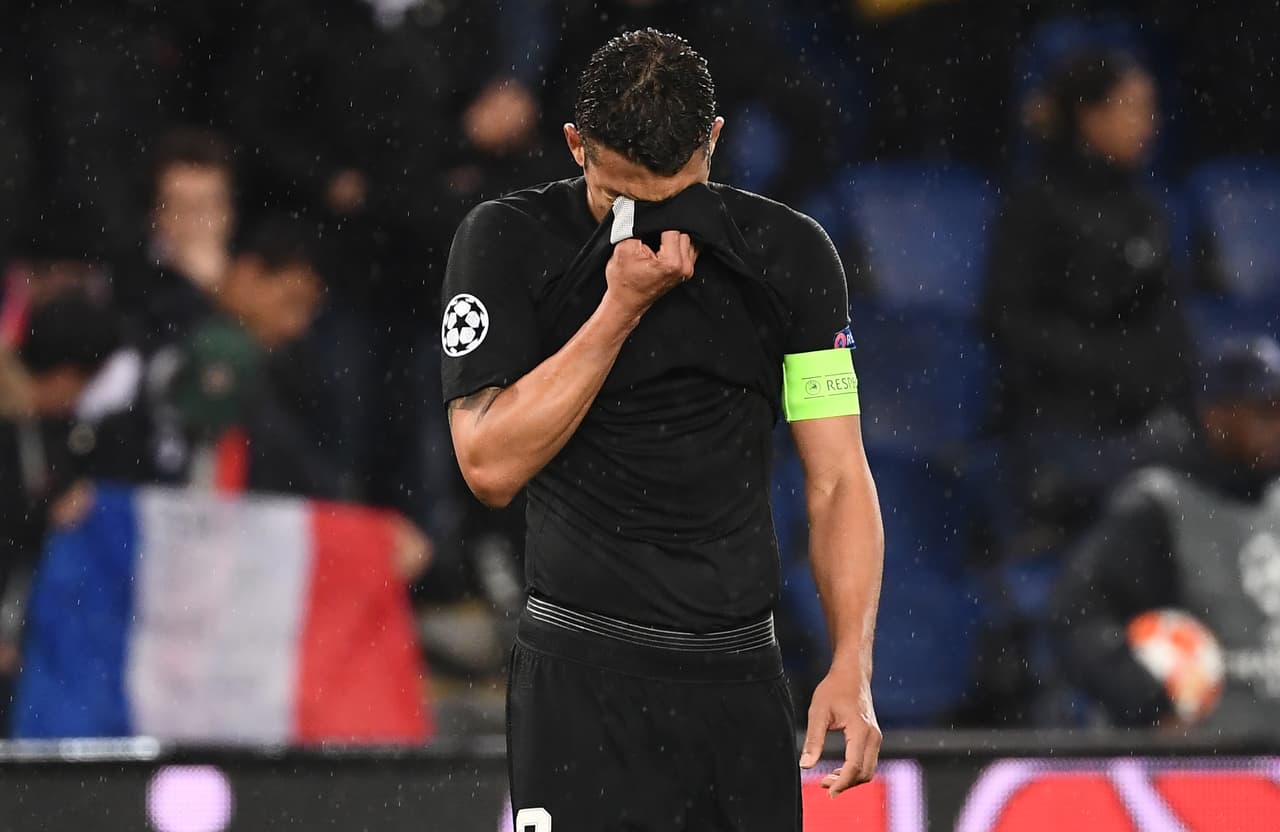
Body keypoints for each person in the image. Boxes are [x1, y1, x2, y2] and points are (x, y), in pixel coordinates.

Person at [442, 30, 884, 830]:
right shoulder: (504, 239)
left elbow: (838, 475)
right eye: (621, 197)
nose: (652, 225)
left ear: (714, 142)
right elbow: (487, 462)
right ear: (575, 146)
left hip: (738, 679)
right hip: (581, 675)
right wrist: (619, 310)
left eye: (672, 195)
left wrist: (851, 660)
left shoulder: (790, 256)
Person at [981, 50, 1196, 552]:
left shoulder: (1147, 210)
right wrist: (1107, 364)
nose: (1150, 124)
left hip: (1140, 424)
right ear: (1089, 114)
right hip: (1057, 425)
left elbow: (1171, 329)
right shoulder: (1034, 205)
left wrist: (1150, 373)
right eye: (1133, 108)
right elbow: (1007, 321)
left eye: (1151, 109)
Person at [1051, 336, 1280, 731]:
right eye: (1266, 411)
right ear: (1216, 415)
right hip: (1192, 768)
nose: (1278, 427)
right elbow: (1077, 617)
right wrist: (1142, 694)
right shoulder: (1157, 506)